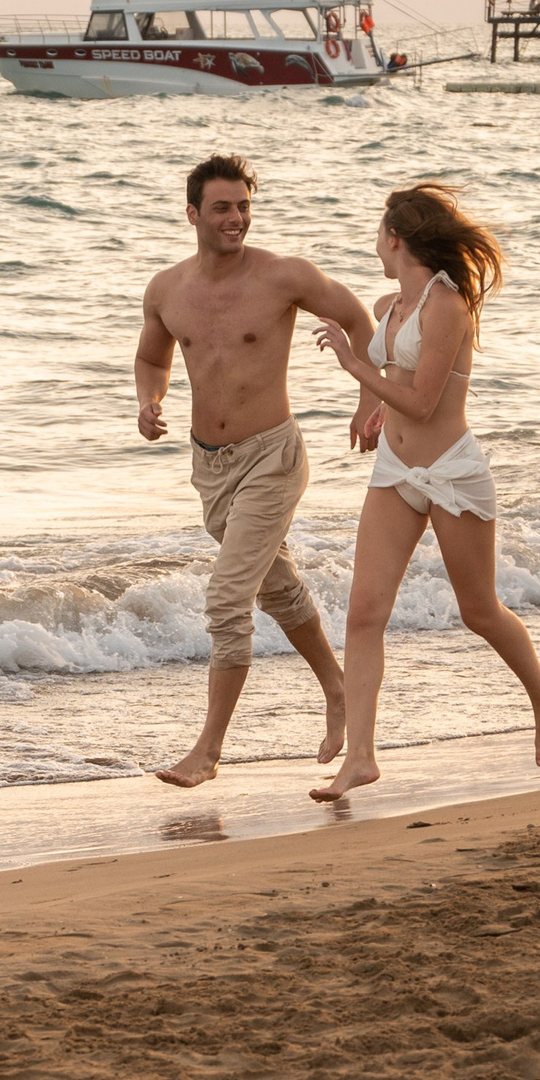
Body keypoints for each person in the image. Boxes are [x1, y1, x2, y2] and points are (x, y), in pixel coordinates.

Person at [307, 184, 540, 800]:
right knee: (365, 613)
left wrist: (353, 366)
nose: (374, 243)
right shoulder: (389, 303)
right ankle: (361, 758)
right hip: (396, 470)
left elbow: (424, 403)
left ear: (395, 238)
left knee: (480, 612)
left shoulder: (448, 306)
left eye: (378, 232)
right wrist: (371, 411)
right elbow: (400, 387)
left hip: (450, 470)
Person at [135, 156, 379, 789]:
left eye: (243, 205)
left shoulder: (285, 276)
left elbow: (360, 320)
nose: (236, 218)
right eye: (222, 208)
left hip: (273, 457)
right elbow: (150, 355)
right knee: (276, 589)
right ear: (193, 214)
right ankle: (338, 689)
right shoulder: (166, 290)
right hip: (209, 468)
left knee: (226, 597)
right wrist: (148, 400)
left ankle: (207, 752)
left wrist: (367, 396)